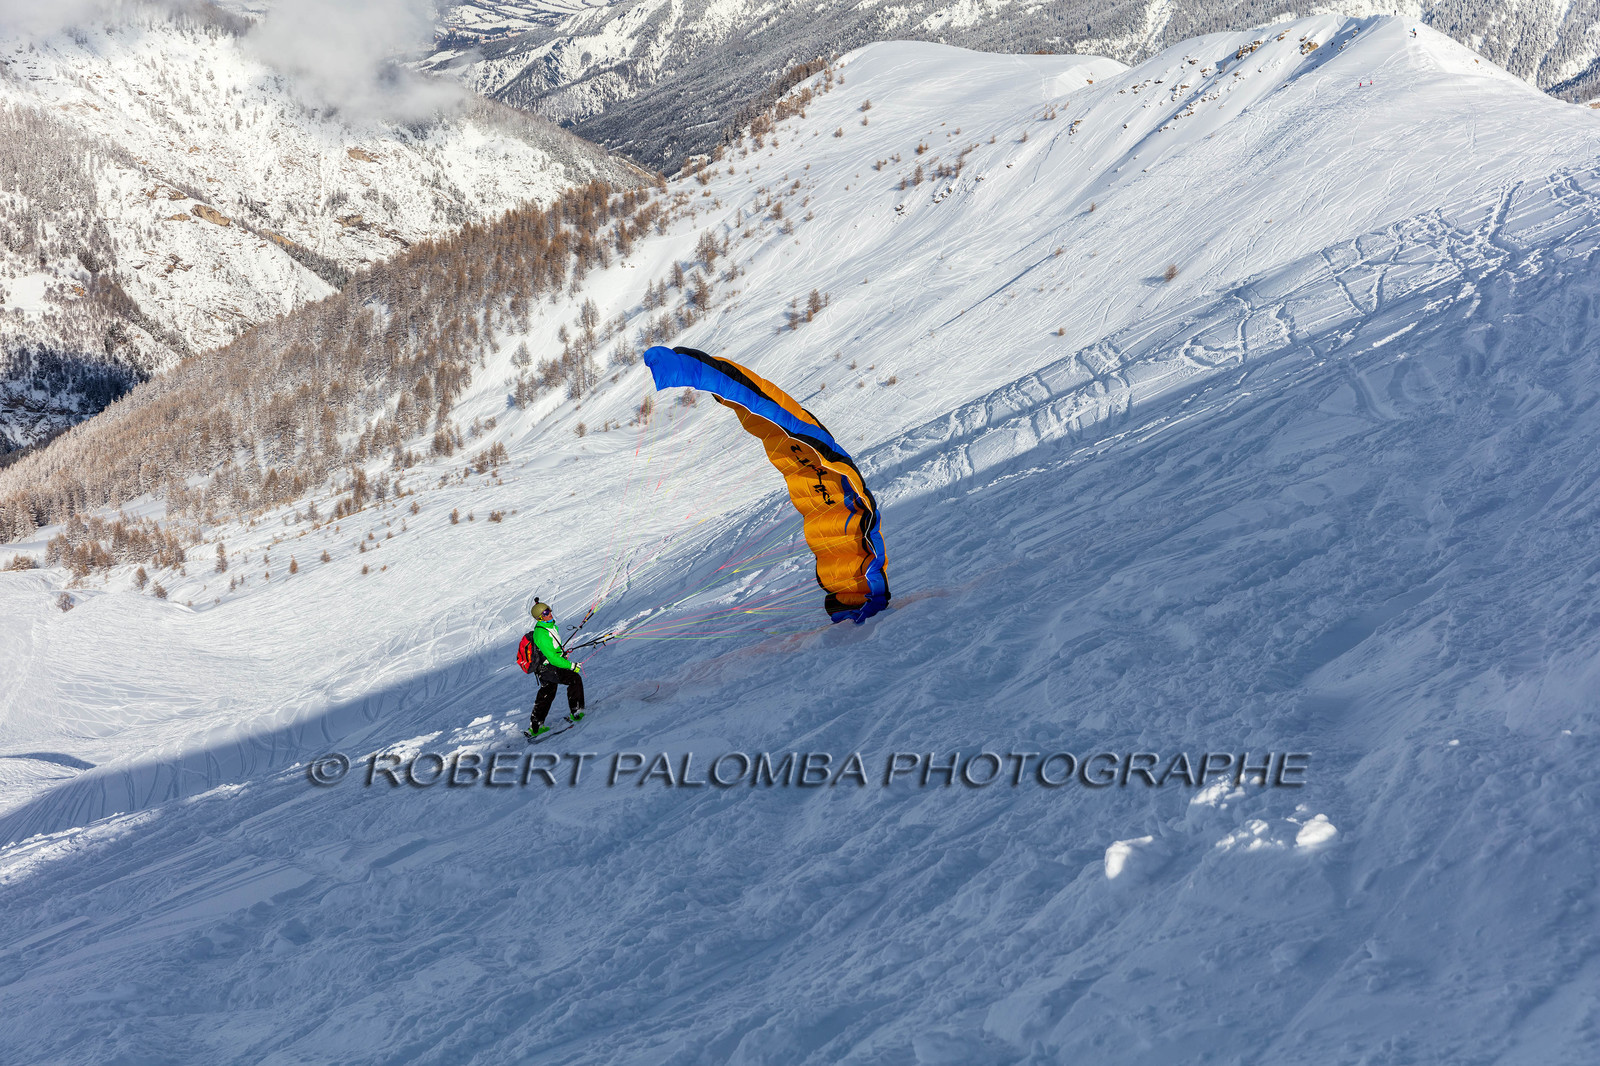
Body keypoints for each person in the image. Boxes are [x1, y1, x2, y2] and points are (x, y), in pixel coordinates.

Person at [525, 599, 585, 738]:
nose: (550, 613)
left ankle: (536, 727)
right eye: (546, 612)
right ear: (540, 617)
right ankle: (576, 712)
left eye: (549, 610)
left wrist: (561, 654)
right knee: (574, 679)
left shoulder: (551, 626)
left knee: (547, 693)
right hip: (548, 668)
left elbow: (552, 651)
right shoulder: (542, 633)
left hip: (547, 667)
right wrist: (571, 665)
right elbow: (552, 658)